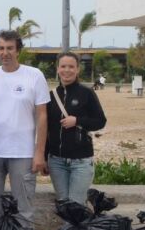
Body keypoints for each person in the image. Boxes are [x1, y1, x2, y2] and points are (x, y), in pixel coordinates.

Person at [0, 30, 49, 228]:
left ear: (18, 51)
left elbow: (42, 116)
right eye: (1, 48)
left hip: (22, 153)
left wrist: (39, 153)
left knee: (24, 209)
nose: (5, 53)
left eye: (10, 48)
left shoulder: (34, 76)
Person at [46, 52, 107, 205]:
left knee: (77, 207)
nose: (67, 70)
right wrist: (44, 156)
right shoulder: (51, 96)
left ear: (78, 69)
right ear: (58, 69)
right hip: (56, 161)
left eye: (71, 66)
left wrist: (77, 120)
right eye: (63, 66)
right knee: (63, 205)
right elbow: (47, 129)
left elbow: (100, 121)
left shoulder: (87, 93)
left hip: (81, 161)